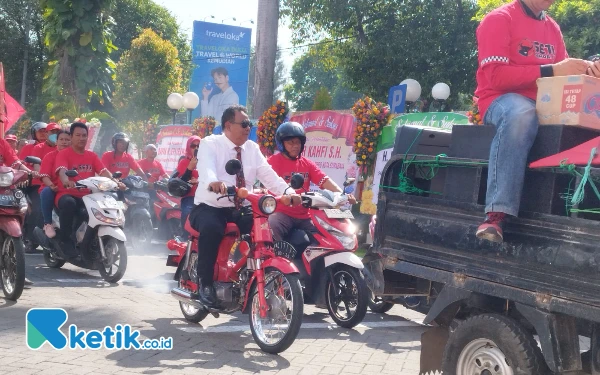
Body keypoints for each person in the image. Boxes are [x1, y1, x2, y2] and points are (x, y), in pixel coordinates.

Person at [474, 0, 600, 243]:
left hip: (546, 102)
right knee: (522, 114)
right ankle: (496, 215)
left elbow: (562, 73)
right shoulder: (499, 19)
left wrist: (588, 69)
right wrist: (552, 70)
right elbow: (495, 78)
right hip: (501, 100)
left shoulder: (552, 27)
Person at [191, 105, 300, 306]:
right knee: (213, 228)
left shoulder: (251, 148)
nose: (248, 128)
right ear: (228, 125)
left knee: (264, 228)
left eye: (249, 124)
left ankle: (254, 275)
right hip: (210, 205)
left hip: (240, 206)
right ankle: (205, 284)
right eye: (244, 124)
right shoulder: (210, 143)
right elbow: (206, 167)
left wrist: (288, 193)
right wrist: (214, 182)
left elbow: (268, 174)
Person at [267, 122, 357, 242]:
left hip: (305, 215)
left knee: (327, 233)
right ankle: (274, 257)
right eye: (291, 142)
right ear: (281, 144)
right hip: (282, 213)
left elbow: (324, 180)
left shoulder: (307, 163)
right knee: (272, 222)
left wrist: (343, 195)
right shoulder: (272, 162)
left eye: (298, 142)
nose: (295, 146)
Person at [54, 122, 124, 258]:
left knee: (104, 207)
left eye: (84, 135)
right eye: (78, 135)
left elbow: (103, 170)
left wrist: (116, 182)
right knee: (70, 203)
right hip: (66, 194)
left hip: (87, 196)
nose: (81, 138)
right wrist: (66, 181)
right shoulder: (64, 154)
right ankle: (65, 240)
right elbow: (62, 171)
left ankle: (92, 241)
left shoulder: (91, 156)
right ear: (72, 137)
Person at [20, 122, 48, 253]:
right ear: (34, 133)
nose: (43, 133)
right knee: (37, 208)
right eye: (40, 131)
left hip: (51, 183)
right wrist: (32, 172)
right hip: (33, 184)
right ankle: (29, 238)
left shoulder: (56, 147)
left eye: (46, 131)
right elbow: (21, 165)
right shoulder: (28, 148)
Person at [38, 130, 71, 238]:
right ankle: (48, 223)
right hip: (53, 188)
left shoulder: (75, 156)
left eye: (67, 140)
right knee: (47, 192)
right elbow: (44, 176)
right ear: (56, 141)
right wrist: (51, 185)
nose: (64, 142)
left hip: (70, 189)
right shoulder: (49, 156)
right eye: (61, 139)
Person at [175, 136, 200, 237]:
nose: (196, 148)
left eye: (199, 145)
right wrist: (190, 168)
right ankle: (185, 236)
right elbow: (181, 182)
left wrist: (199, 181)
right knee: (188, 210)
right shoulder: (184, 162)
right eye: (193, 145)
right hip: (189, 196)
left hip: (205, 196)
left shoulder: (207, 161)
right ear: (188, 147)